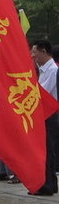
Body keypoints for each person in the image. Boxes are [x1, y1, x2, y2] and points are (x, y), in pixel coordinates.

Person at [30, 39, 58, 195]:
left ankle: (47, 185)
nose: (33, 56)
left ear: (44, 51)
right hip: (44, 115)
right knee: (47, 151)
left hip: (50, 114)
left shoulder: (53, 70)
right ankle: (50, 184)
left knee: (47, 151)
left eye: (35, 52)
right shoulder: (43, 70)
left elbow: (44, 93)